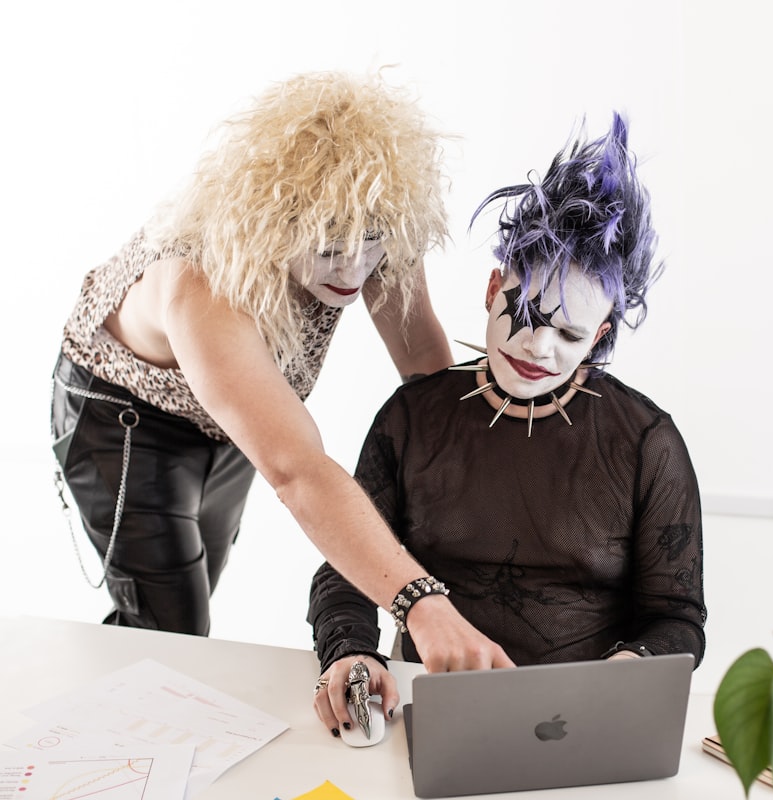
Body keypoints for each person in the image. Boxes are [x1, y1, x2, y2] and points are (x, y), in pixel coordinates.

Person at [50, 70, 514, 673]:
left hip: (227, 416)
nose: (352, 269)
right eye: (326, 246)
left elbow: (426, 376)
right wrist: (422, 605)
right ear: (274, 225)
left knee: (185, 602)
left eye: (370, 242)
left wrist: (497, 480)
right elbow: (297, 473)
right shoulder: (203, 284)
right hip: (126, 419)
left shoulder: (370, 215)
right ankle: (95, 748)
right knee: (169, 632)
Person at [308, 113, 706, 736]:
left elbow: (676, 615)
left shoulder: (647, 441)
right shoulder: (412, 417)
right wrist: (351, 653)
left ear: (600, 336)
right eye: (521, 311)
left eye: (570, 333)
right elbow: (348, 567)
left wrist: (630, 671)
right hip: (428, 709)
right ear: (494, 287)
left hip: (583, 723)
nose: (538, 347)